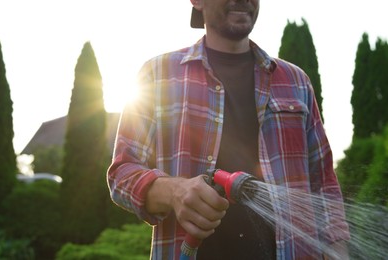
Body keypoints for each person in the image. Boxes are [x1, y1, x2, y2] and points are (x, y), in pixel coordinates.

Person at [107, 0, 350, 259]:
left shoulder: (296, 82)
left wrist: (338, 250)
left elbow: (324, 182)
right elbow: (121, 174)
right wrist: (175, 192)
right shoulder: (158, 75)